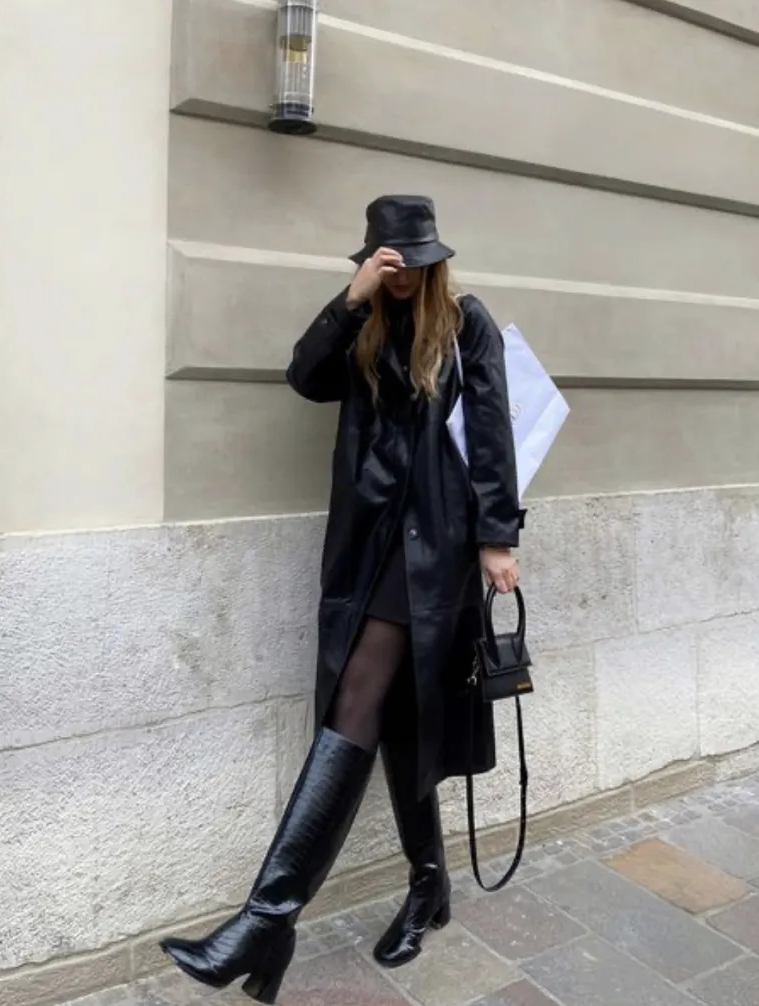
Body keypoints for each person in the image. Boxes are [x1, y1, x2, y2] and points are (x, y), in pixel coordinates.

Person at [160, 194, 524, 1003]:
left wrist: (499, 536)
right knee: (398, 718)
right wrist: (351, 298)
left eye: (411, 262)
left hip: (433, 553)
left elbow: (492, 432)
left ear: (434, 261)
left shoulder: (464, 324)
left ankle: (265, 920)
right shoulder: (363, 322)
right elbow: (304, 377)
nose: (400, 275)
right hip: (366, 547)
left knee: (356, 702)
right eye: (387, 262)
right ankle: (428, 885)